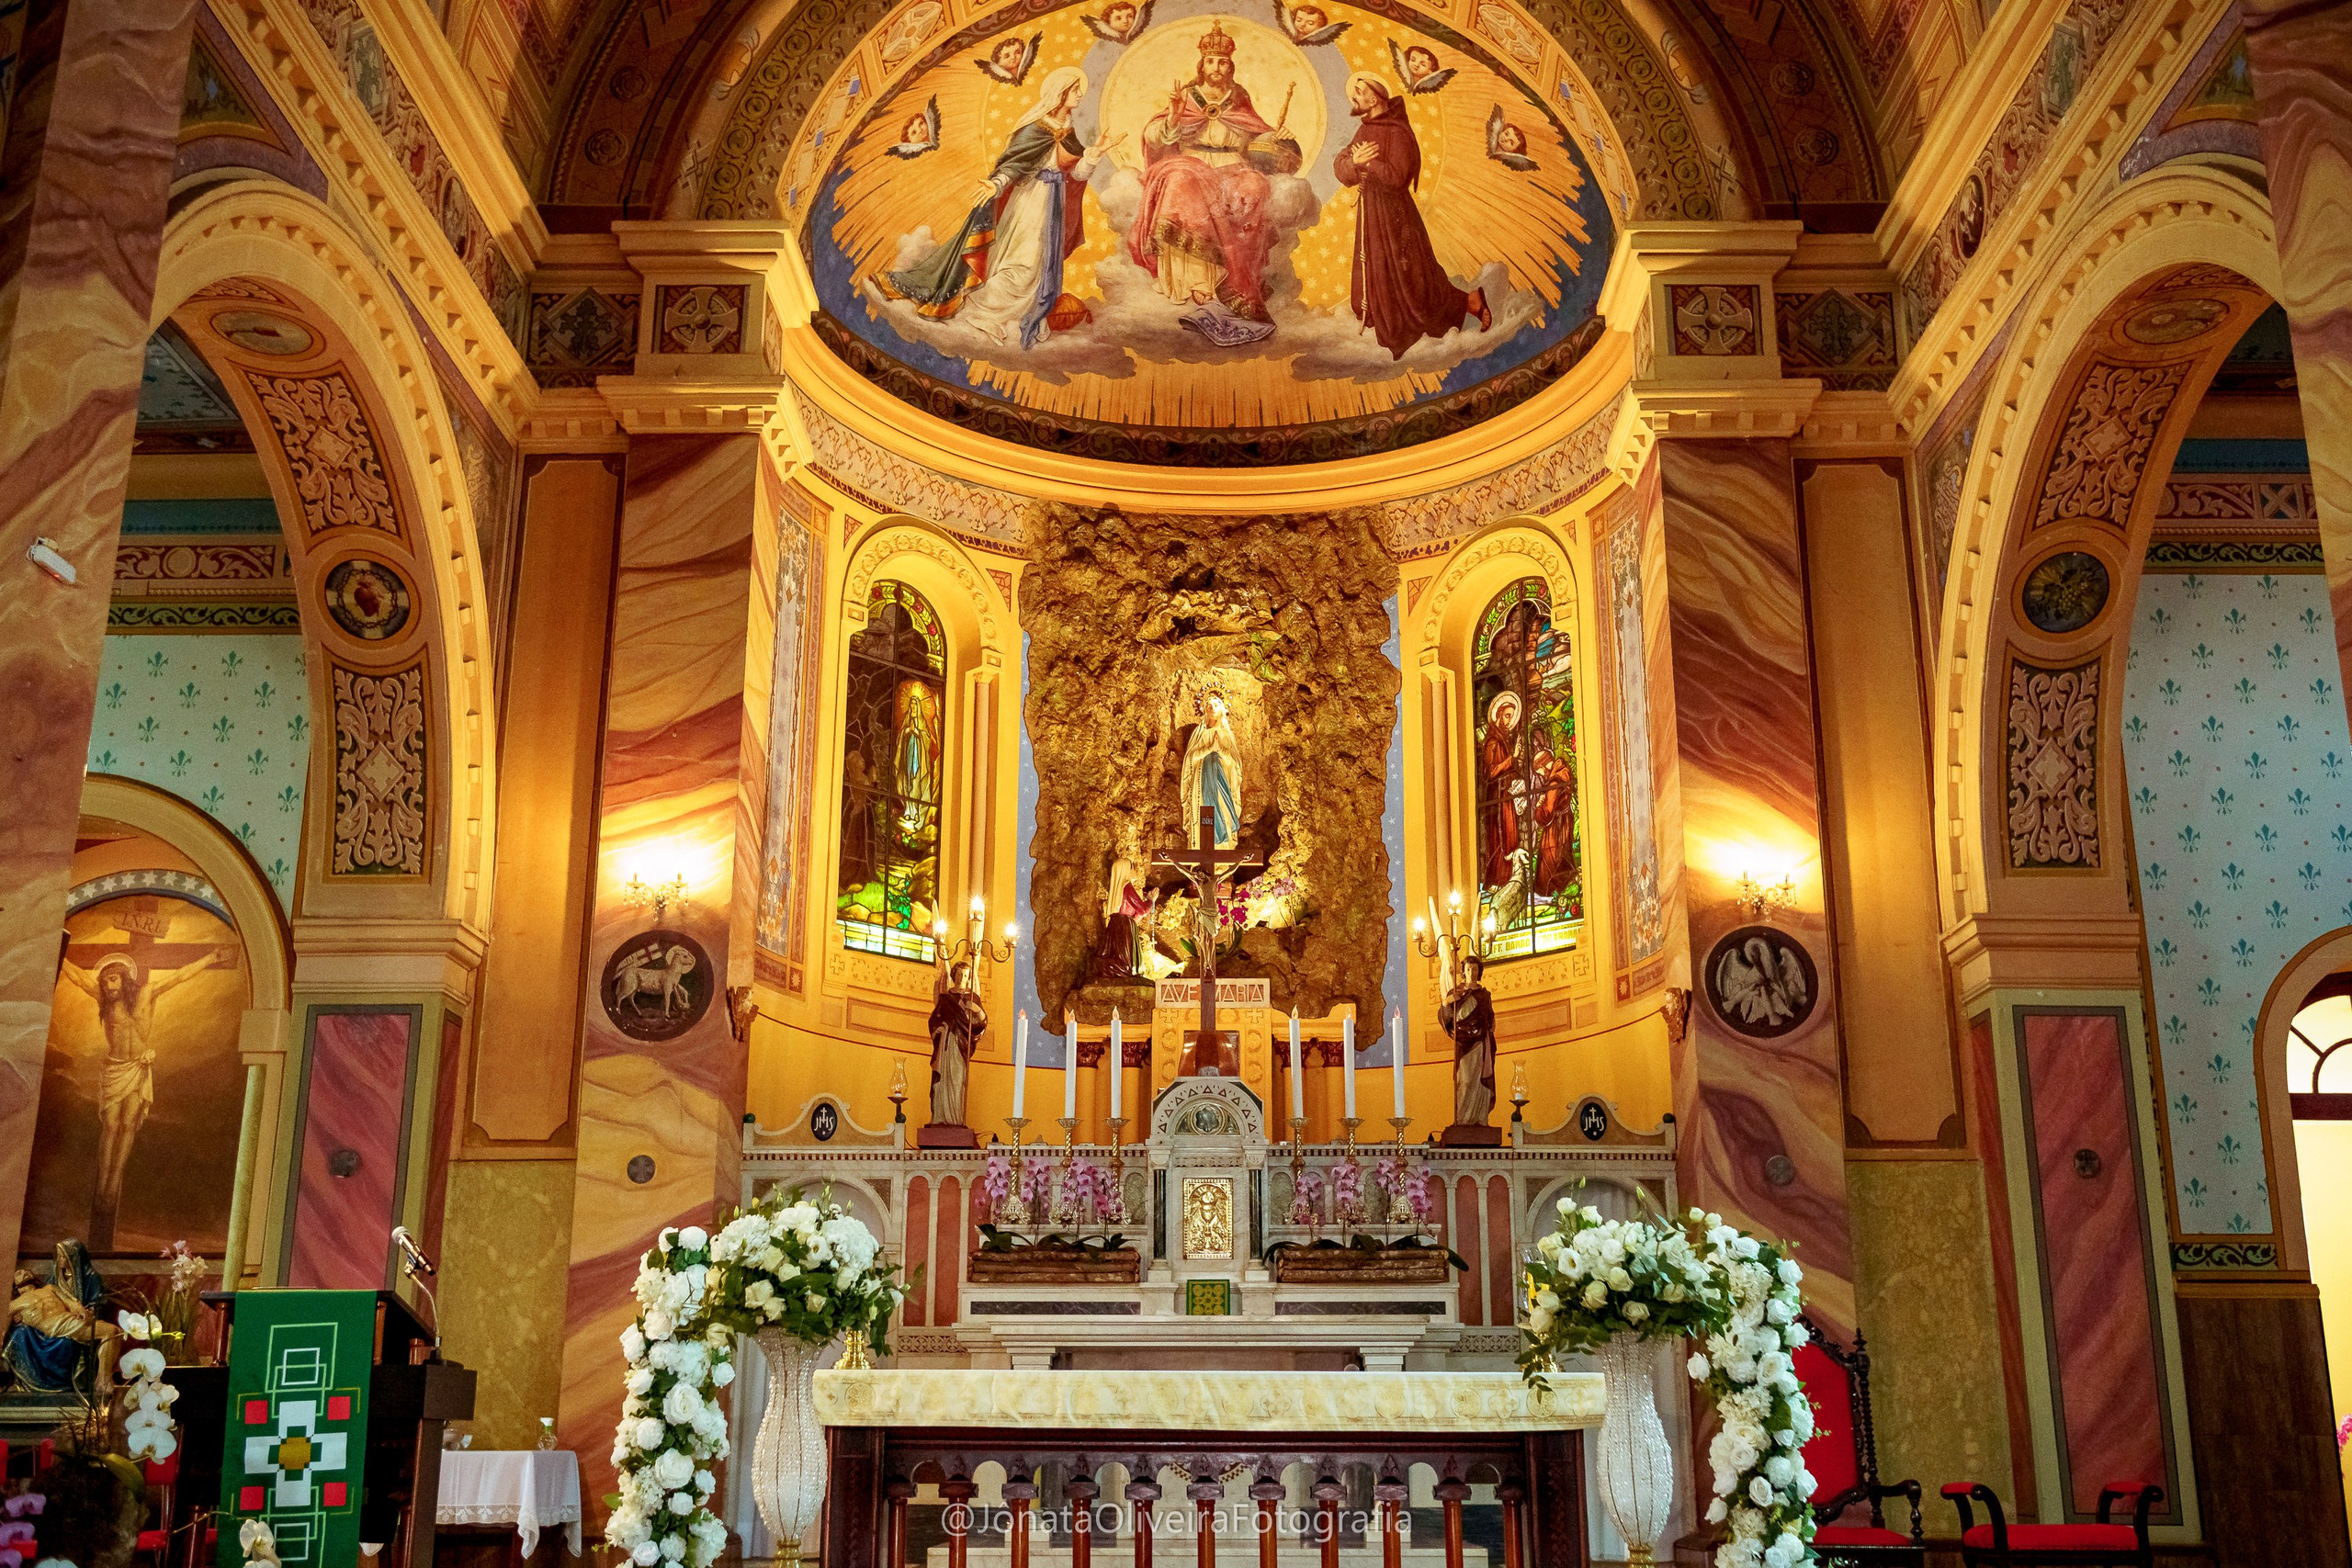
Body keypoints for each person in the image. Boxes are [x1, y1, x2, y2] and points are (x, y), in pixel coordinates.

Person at [881, 67, 1125, 346]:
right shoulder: (1035, 128)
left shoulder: (1067, 130)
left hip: (1052, 206)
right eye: (1074, 89)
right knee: (1023, 263)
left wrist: (1096, 152)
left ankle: (1015, 317)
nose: (1080, 94)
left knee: (1041, 266)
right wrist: (995, 184)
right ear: (1060, 93)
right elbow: (1015, 163)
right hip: (1028, 203)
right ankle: (983, 314)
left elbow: (1078, 174)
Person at [59, 946, 233, 1247]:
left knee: (128, 1126)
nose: (109, 985)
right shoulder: (103, 1000)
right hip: (114, 1069)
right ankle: (103, 1183)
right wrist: (56, 952)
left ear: (125, 979)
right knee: (110, 1125)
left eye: (114, 979)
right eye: (105, 981)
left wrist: (210, 958)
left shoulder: (147, 993)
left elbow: (179, 977)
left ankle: (115, 1181)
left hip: (137, 1069)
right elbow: (75, 976)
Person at [1130, 25, 1298, 322]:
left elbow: (1257, 132)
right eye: (1210, 61)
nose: (1216, 67)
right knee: (1180, 182)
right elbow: (1154, 135)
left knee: (1256, 186)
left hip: (1234, 165)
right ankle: (1196, 284)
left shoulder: (1238, 98)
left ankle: (1238, 283)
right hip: (1190, 162)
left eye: (1222, 62)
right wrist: (1172, 115)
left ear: (1229, 66)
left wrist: (1278, 135)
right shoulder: (1187, 97)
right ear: (1202, 64)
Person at [1333, 73, 1489, 357]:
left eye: (1358, 91)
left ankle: (1468, 302)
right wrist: (1354, 162)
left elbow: (1397, 177)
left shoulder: (1397, 131)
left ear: (1374, 97)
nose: (1353, 97)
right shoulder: (1365, 129)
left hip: (1396, 216)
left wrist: (1372, 164)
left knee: (1413, 276)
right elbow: (1342, 165)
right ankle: (1390, 322)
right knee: (1379, 268)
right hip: (1372, 214)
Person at [3, 1241, 118, 1394]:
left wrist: (82, 1310)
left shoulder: (50, 1288)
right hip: (55, 1328)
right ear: (15, 1286)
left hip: (71, 1321)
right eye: (18, 1273)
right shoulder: (15, 1304)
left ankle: (102, 1379)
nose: (23, 1272)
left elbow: (71, 1302)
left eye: (25, 1271)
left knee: (113, 1331)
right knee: (111, 1332)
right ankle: (102, 1381)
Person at [1438, 953, 1498, 1128]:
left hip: (1481, 1044)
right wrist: (1446, 1003)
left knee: (1480, 1081)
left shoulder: (1485, 994)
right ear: (1463, 971)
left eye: (1475, 969)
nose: (1472, 972)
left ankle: (1480, 1118)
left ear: (1479, 972)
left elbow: (1490, 1017)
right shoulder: (1456, 993)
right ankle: (1463, 1119)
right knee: (1464, 1081)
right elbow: (1447, 1019)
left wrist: (1490, 1028)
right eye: (1469, 969)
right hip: (1464, 1044)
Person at [926, 961, 988, 1125]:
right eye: (959, 974)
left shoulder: (973, 998)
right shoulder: (945, 998)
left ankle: (956, 1119)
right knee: (941, 1082)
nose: (962, 978)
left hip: (961, 1045)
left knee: (958, 1080)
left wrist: (978, 1011)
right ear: (954, 976)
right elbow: (935, 1019)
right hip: (946, 1044)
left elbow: (980, 1024)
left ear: (969, 979)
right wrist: (937, 1030)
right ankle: (939, 1118)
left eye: (966, 975)